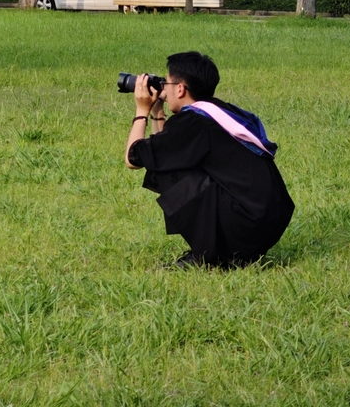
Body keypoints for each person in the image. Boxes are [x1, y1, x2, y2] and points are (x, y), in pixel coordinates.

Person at [124, 52, 294, 268]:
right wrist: (158, 112)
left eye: (166, 83)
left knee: (170, 171)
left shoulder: (194, 121)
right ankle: (219, 249)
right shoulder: (218, 111)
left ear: (180, 89)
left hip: (247, 227)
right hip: (265, 222)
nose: (163, 90)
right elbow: (164, 150)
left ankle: (212, 254)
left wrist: (142, 110)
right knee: (168, 161)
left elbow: (132, 158)